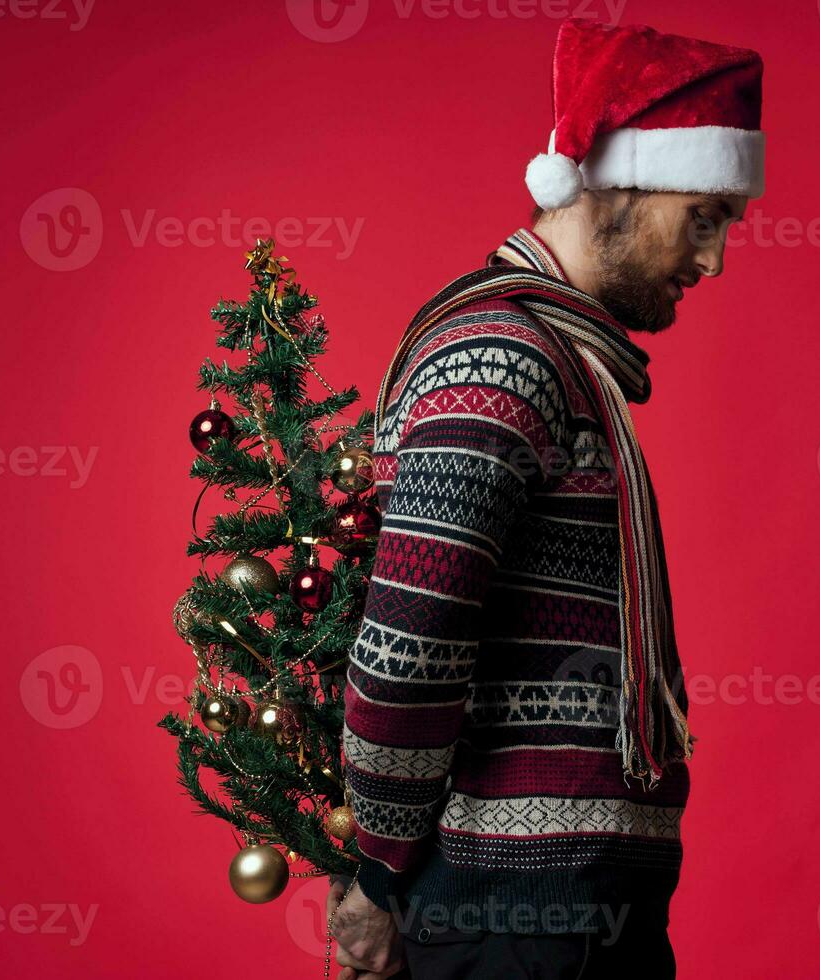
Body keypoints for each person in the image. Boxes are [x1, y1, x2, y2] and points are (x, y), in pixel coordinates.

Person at [326, 17, 765, 980]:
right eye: (704, 214)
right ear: (619, 182)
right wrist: (381, 876)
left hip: (561, 909)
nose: (718, 259)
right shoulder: (504, 360)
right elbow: (407, 649)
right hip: (517, 919)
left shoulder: (560, 362)